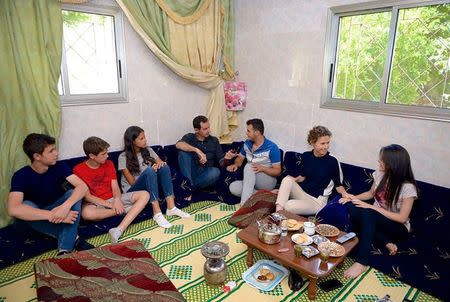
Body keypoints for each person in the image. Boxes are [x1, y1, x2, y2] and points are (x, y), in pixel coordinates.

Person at [339, 144, 417, 278]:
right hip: (375, 218)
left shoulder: (408, 188)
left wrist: (372, 208)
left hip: (397, 227)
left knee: (368, 213)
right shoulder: (380, 174)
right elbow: (370, 194)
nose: (379, 162)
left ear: (393, 164)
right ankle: (384, 241)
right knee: (350, 206)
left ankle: (361, 262)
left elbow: (402, 218)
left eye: (383, 160)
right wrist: (352, 198)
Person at [7, 133, 92, 256]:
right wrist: (52, 215)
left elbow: (82, 186)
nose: (56, 153)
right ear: (37, 156)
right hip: (36, 217)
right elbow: (13, 209)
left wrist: (64, 208)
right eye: (51, 151)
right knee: (25, 205)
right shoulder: (21, 175)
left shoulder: (59, 166)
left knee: (72, 193)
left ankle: (64, 251)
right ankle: (73, 239)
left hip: (57, 207)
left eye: (55, 149)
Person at [73, 137, 149, 243]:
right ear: (92, 156)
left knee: (145, 195)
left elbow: (115, 186)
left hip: (114, 198)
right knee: (87, 214)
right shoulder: (78, 170)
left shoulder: (109, 164)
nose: (107, 156)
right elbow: (88, 196)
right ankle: (125, 210)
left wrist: (117, 200)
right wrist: (113, 206)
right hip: (95, 203)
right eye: (103, 154)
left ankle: (118, 229)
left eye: (107, 152)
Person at [118, 126, 190, 229]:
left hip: (150, 184)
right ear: (132, 141)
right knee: (150, 171)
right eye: (141, 138)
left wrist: (157, 167)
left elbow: (161, 163)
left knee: (164, 167)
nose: (145, 140)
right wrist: (151, 170)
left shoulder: (148, 150)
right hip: (133, 191)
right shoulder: (123, 157)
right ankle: (157, 213)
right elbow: (132, 183)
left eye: (145, 137)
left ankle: (171, 207)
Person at [275, 126, 350, 215]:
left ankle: (278, 215)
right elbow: (302, 177)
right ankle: (277, 216)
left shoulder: (332, 161)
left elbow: (338, 185)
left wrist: (345, 194)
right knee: (287, 179)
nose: (326, 146)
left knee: (288, 205)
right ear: (312, 143)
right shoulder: (306, 156)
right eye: (322, 143)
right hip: (303, 193)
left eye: (328, 143)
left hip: (317, 202)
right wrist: (286, 186)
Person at [227, 119, 282, 205]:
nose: (246, 133)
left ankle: (244, 205)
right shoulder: (247, 144)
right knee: (233, 187)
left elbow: (278, 171)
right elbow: (240, 159)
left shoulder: (272, 148)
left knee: (249, 166)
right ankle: (267, 195)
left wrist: (262, 168)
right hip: (251, 180)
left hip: (267, 180)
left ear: (257, 132)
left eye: (249, 131)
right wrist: (236, 164)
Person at [176, 115, 237, 190]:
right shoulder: (189, 137)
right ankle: (188, 186)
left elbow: (221, 162)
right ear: (196, 130)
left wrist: (227, 159)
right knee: (183, 153)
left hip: (205, 172)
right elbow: (178, 144)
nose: (208, 131)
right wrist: (196, 150)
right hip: (191, 171)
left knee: (216, 171)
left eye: (209, 127)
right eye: (205, 129)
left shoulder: (214, 140)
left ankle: (188, 187)